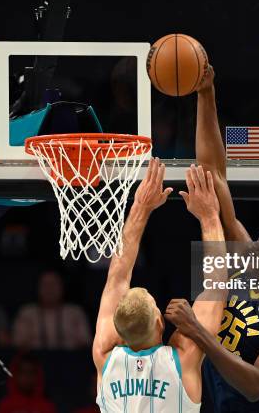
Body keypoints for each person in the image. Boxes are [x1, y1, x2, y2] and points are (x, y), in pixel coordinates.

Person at [164, 67, 259, 412]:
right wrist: (206, 93)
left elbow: (256, 386)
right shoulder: (246, 259)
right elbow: (215, 176)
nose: (257, 245)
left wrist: (197, 331)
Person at [92, 158, 227, 412]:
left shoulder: (105, 355)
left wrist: (141, 208)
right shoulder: (181, 358)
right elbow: (217, 285)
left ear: (118, 331)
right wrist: (208, 216)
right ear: (159, 322)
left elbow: (117, 277)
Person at [13, 270, 92, 350]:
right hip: (34, 360)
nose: (49, 289)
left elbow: (86, 342)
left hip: (71, 360)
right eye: (45, 285)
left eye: (54, 284)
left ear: (62, 287)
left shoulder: (75, 312)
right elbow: (18, 343)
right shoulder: (26, 313)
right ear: (38, 288)